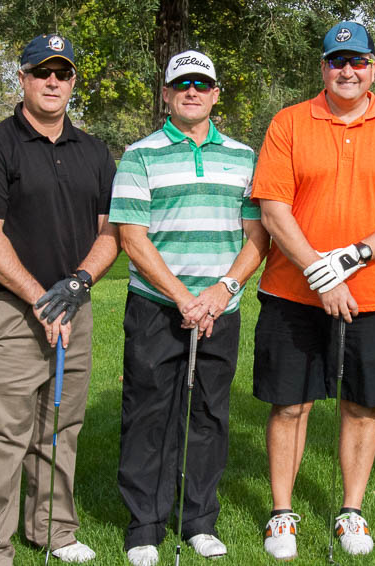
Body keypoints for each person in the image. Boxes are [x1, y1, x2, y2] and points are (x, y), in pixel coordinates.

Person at [250, 21, 375, 560]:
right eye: (337, 61)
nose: (348, 71)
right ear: (324, 68)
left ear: (373, 67)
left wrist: (353, 256)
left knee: (361, 404)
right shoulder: (288, 122)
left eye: (358, 61)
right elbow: (273, 208)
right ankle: (281, 513)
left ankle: (350, 510)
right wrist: (318, 270)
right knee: (289, 405)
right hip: (292, 291)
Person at [109, 49, 269, 566]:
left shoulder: (245, 157)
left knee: (209, 415)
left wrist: (221, 291)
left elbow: (257, 236)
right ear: (167, 94)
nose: (193, 91)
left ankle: (199, 520)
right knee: (150, 414)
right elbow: (132, 238)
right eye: (183, 85)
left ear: (217, 94)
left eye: (203, 83)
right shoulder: (140, 155)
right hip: (158, 307)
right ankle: (146, 526)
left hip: (220, 308)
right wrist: (183, 298)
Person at [0, 34, 119, 564]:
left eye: (62, 73)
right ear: (21, 79)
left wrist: (77, 286)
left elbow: (111, 232)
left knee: (60, 425)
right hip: (13, 308)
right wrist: (42, 299)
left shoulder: (93, 150)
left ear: (72, 83)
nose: (53, 81)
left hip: (76, 306)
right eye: (41, 71)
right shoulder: (1, 144)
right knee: (7, 430)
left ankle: (53, 531)